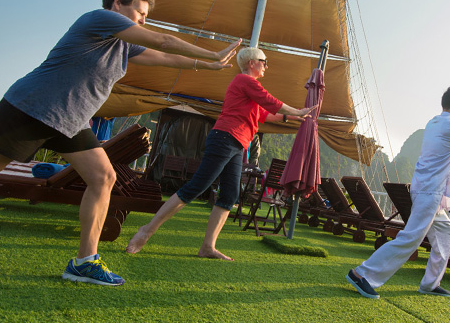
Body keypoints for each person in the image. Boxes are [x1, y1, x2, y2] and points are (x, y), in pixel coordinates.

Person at [0, 0, 240, 286]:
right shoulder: (99, 18)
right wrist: (213, 54)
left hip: (70, 121)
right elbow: (164, 42)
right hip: (31, 108)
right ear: (117, 2)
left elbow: (162, 56)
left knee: (104, 177)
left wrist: (204, 65)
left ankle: (84, 263)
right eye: (140, 13)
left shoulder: (122, 44)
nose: (144, 21)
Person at [126, 47, 317, 260]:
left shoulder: (248, 88)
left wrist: (289, 118)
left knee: (229, 194)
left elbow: (263, 114)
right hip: (225, 137)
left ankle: (208, 247)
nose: (266, 65)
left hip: (237, 143)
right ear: (252, 62)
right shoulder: (245, 81)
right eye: (264, 61)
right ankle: (147, 230)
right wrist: (296, 111)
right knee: (196, 186)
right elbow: (270, 102)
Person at [346, 87, 450, 299]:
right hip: (430, 193)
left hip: (426, 190)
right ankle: (361, 274)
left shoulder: (434, 123)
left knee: (445, 232)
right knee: (409, 240)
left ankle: (430, 284)